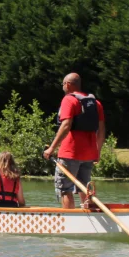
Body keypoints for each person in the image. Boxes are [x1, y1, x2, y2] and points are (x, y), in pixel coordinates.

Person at [43, 72, 106, 209]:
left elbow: (66, 126)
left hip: (70, 152)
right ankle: (88, 215)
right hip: (89, 154)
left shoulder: (68, 100)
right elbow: (101, 131)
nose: (63, 87)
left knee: (65, 188)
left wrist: (51, 148)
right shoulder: (96, 103)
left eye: (63, 85)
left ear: (68, 84)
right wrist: (97, 152)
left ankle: (69, 218)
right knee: (84, 187)